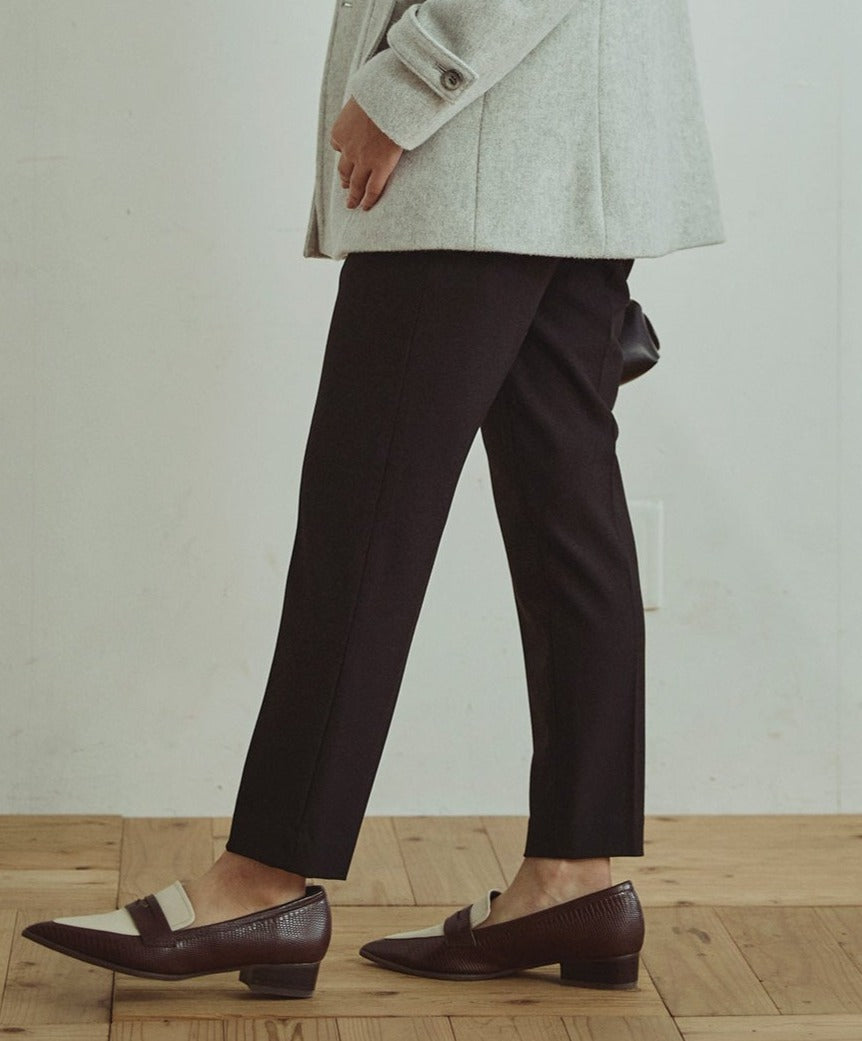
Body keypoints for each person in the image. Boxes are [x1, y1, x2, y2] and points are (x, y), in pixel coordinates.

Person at [22, 0, 725, 999]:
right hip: (567, 141)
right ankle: (573, 876)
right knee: (566, 513)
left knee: (364, 522)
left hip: (478, 137)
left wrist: (409, 83)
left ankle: (262, 881)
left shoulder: (444, 109)